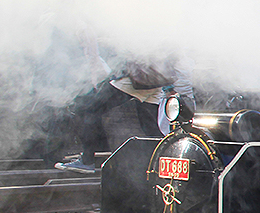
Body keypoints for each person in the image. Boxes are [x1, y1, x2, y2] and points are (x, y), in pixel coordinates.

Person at [56, 64, 194, 174]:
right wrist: (168, 88)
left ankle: (86, 161)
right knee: (150, 128)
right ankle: (166, 160)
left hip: (133, 79)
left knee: (89, 110)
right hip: (155, 83)